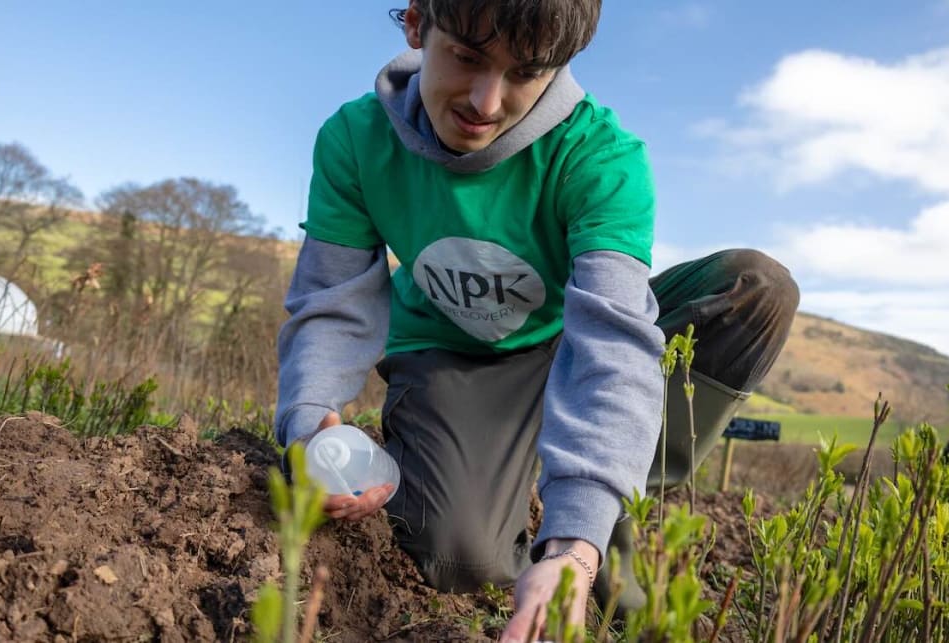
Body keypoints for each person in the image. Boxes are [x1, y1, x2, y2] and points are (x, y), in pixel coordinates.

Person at [275, 1, 799, 639]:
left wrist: (574, 546)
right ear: (416, 25)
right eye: (467, 58)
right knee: (461, 556)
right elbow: (334, 301)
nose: (486, 102)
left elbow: (612, 340)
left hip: (570, 336)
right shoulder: (355, 140)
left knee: (756, 288)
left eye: (525, 72)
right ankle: (531, 478)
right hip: (452, 355)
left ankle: (599, 502)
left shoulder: (601, 156)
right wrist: (307, 425)